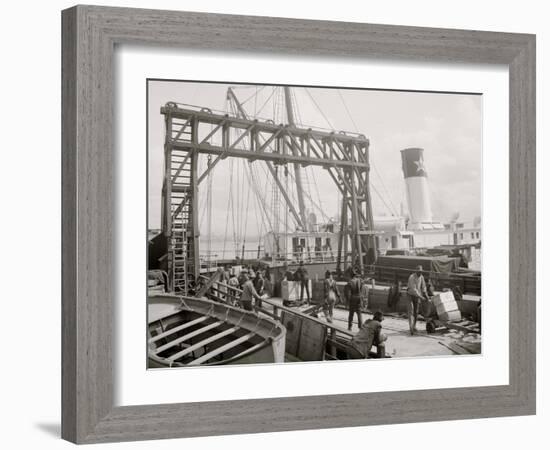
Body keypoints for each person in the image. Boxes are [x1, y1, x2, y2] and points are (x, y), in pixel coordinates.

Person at [407, 265, 429, 335]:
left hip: (417, 296)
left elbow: (424, 287)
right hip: (410, 295)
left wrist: (426, 295)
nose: (420, 273)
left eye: (421, 272)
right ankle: (411, 328)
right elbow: (414, 290)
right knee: (411, 311)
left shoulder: (421, 277)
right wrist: (421, 297)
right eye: (419, 272)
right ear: (416, 271)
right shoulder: (412, 277)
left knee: (416, 312)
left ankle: (414, 326)